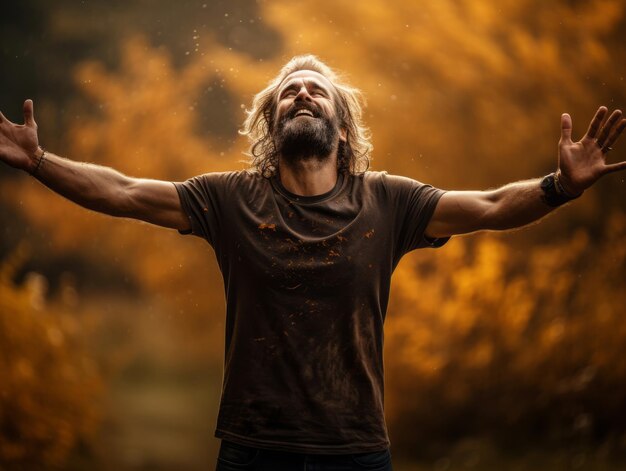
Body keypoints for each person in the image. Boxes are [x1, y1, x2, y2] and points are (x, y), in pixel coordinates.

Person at [0, 55, 624, 471]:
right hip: (252, 448)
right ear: (272, 125)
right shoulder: (228, 198)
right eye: (288, 92)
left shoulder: (389, 200)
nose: (302, 93)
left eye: (316, 90)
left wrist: (559, 187)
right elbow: (124, 192)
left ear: (342, 128)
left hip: (354, 450)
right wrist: (38, 162)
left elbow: (488, 205)